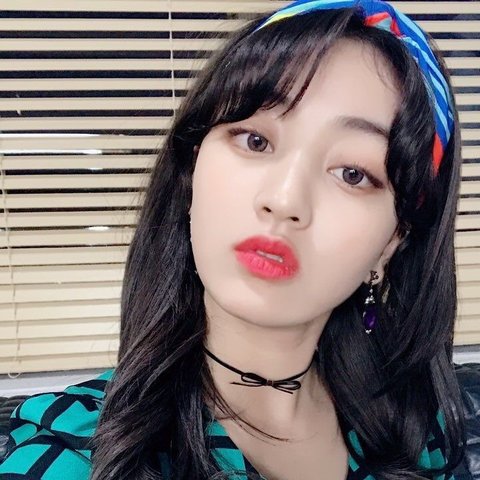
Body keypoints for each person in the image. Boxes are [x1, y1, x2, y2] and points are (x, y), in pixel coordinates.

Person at [0, 0, 467, 479]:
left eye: (352, 173)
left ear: (392, 241)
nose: (284, 200)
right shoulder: (75, 456)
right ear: (193, 172)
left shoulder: (413, 430)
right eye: (255, 140)